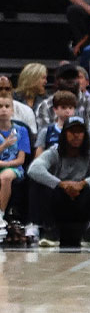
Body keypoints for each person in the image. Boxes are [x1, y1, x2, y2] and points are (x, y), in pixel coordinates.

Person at [27, 116, 90, 248]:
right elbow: (33, 169)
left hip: (83, 202)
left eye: (80, 132)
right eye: (72, 131)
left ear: (85, 135)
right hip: (58, 202)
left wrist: (83, 184)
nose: (76, 136)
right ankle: (49, 230)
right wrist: (61, 184)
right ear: (64, 134)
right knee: (37, 181)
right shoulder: (54, 152)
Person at [0, 94, 30, 241]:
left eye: (7, 107)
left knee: (5, 177)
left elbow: (20, 160)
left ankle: (0, 215)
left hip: (14, 168)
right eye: (0, 107)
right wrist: (4, 145)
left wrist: (3, 164)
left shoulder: (21, 131)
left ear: (12, 110)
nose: (3, 110)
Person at [36, 65, 90, 129]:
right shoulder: (46, 106)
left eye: (73, 77)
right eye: (65, 78)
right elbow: (44, 134)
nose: (70, 81)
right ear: (57, 81)